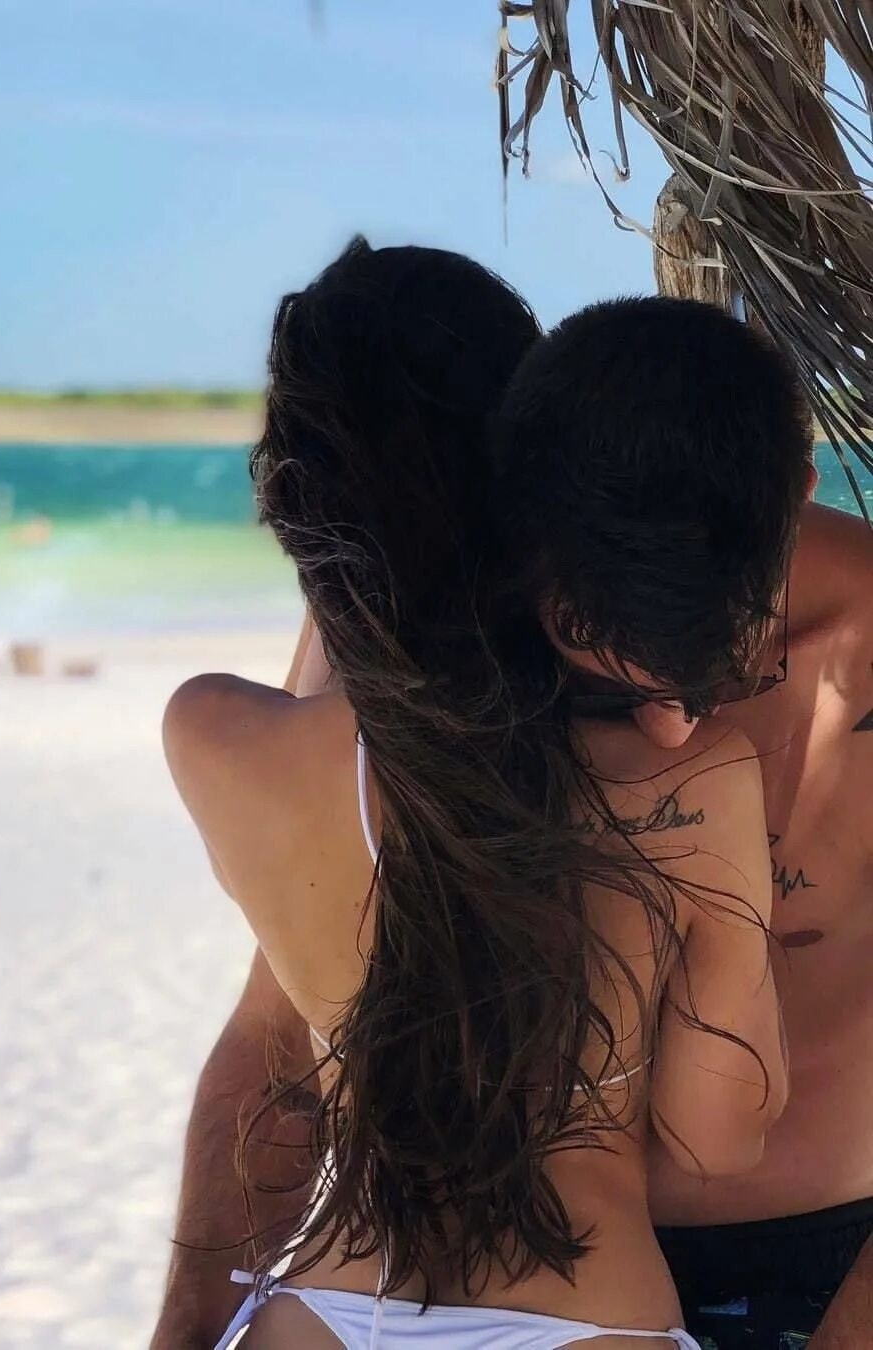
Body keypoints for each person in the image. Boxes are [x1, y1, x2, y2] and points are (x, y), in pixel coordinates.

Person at [159, 241, 789, 1348]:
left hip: (321, 1310)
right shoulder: (683, 773)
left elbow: (284, 1042)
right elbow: (717, 1138)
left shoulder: (218, 738)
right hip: (584, 1313)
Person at [492, 299, 873, 1349]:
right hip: (520, 1281)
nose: (667, 727)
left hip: (833, 1274)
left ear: (795, 504)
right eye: (602, 660)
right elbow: (279, 1025)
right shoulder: (451, 634)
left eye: (698, 655)